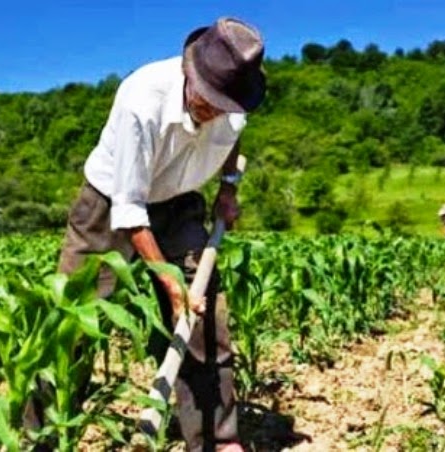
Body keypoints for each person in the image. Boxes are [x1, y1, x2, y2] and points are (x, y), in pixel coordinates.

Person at [24, 17, 265, 452]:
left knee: (205, 315)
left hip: (181, 200)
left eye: (222, 104)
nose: (213, 109)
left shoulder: (234, 106)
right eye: (207, 98)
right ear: (190, 74)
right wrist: (170, 284)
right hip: (110, 203)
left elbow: (232, 143)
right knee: (74, 320)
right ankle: (39, 438)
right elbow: (129, 210)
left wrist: (228, 188)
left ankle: (216, 439)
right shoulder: (142, 98)